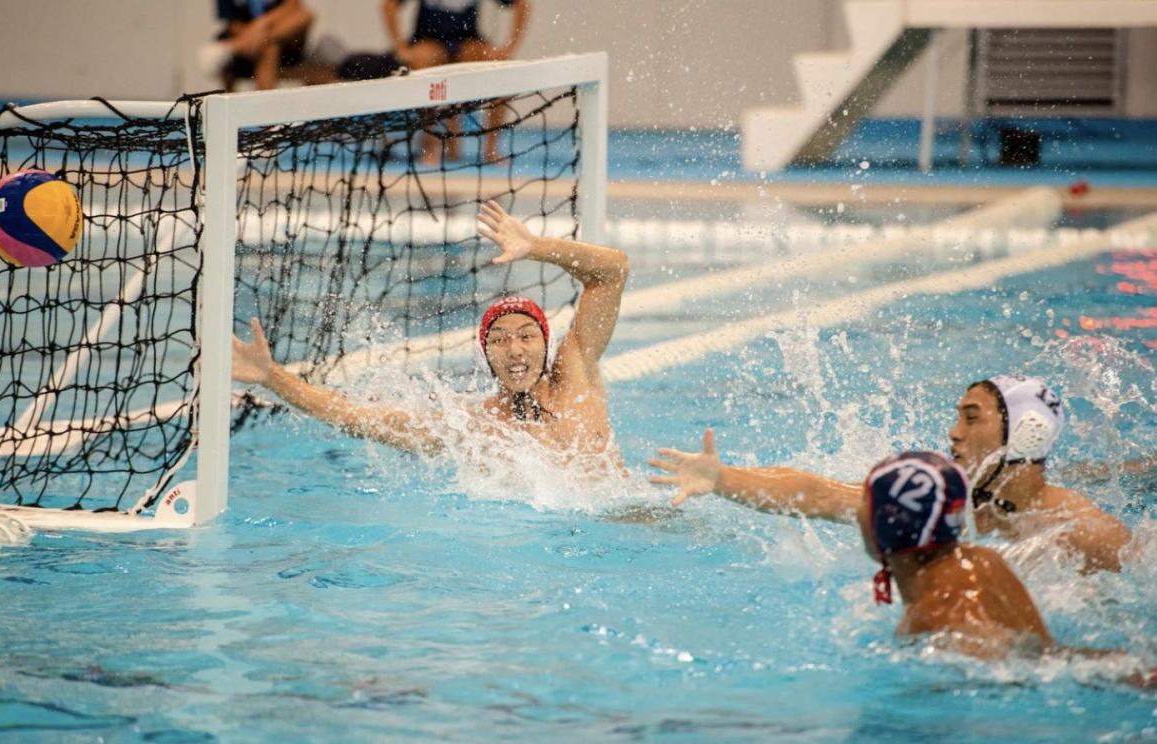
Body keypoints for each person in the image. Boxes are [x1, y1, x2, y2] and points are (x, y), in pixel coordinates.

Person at [232, 200, 627, 463]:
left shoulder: (576, 371)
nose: (515, 350)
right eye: (500, 340)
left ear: (546, 341)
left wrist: (536, 246)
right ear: (486, 355)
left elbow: (613, 272)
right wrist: (272, 377)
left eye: (526, 335)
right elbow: (360, 418)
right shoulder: (473, 427)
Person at [649, 375, 1132, 573]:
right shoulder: (938, 495)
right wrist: (722, 479)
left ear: (1027, 432)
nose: (952, 434)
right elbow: (817, 494)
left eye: (970, 417)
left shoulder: (1083, 531)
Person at [857, 450, 1156, 687]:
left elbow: (1008, 671)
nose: (857, 513)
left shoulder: (937, 615)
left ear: (887, 521)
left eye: (864, 501)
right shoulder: (982, 560)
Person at [381, 0, 532, 162]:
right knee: (423, 61)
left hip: (467, 42)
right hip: (429, 40)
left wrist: (510, 47)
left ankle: (491, 147)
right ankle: (431, 144)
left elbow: (522, 4)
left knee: (501, 69)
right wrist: (400, 48)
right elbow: (388, 5)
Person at [201, 0, 317, 92]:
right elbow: (234, 26)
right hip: (249, 41)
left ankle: (234, 46)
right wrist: (257, 32)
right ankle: (262, 110)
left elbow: (293, 7)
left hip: (284, 40)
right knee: (269, 48)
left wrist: (263, 23)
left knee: (304, 16)